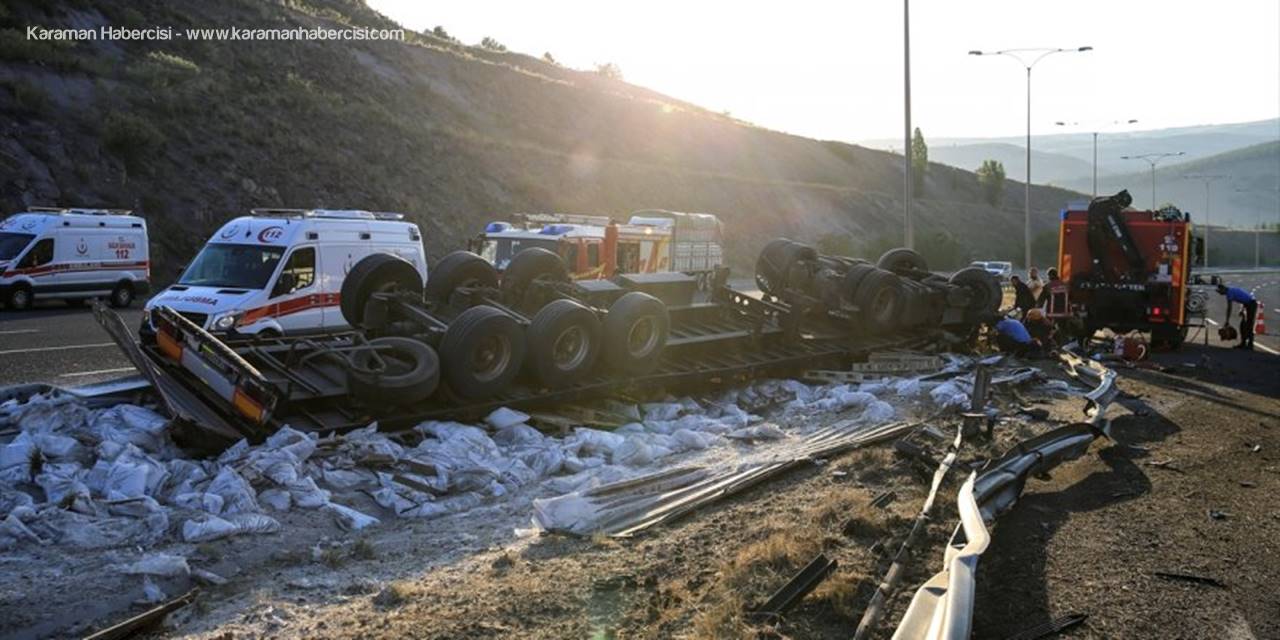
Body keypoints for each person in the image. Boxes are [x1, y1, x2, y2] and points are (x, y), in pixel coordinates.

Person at [1217, 284, 1257, 350]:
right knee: (1243, 325)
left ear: (1223, 289)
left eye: (1220, 292)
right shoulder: (1231, 290)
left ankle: (1250, 344)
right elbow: (1243, 298)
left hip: (1251, 304)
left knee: (1248, 325)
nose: (1220, 294)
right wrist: (1242, 309)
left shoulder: (1229, 293)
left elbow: (1229, 308)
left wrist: (1227, 320)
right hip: (1247, 304)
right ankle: (1243, 343)